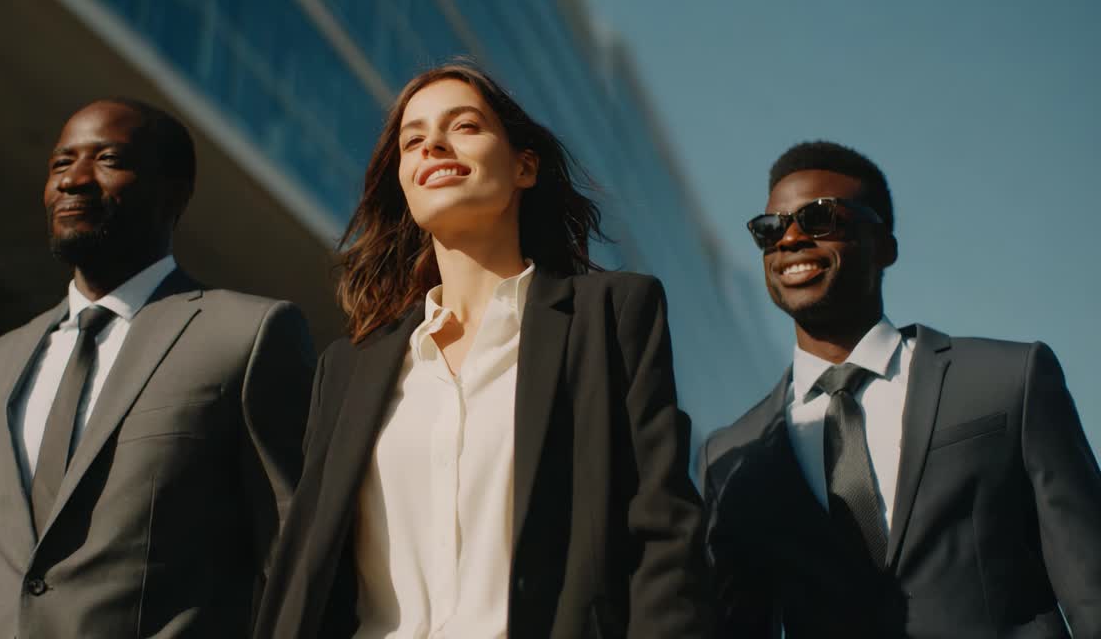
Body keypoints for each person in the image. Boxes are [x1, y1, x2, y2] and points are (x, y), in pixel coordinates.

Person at [254, 63, 710, 638]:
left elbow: (664, 531)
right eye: (412, 140)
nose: (434, 146)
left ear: (525, 165)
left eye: (463, 126)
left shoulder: (610, 316)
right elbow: (306, 569)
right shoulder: (347, 367)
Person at [700, 140, 1101, 638]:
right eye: (770, 229)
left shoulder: (1008, 379)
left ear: (884, 244)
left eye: (820, 218)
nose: (790, 239)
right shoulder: (733, 454)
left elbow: (1092, 587)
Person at [0, 98, 314, 637]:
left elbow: (295, 559)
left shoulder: (249, 335)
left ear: (175, 191)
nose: (73, 179)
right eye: (59, 164)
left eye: (108, 159)